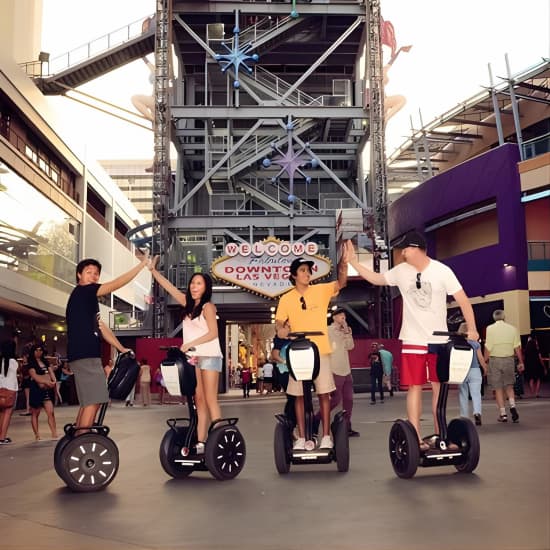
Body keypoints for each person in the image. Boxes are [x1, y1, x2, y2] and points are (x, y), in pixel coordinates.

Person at [345, 232, 478, 451]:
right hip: (413, 339)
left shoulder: (442, 271)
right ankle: (415, 437)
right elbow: (377, 279)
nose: (403, 253)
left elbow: (463, 299)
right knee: (414, 387)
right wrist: (354, 263)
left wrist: (472, 328)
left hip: (439, 339)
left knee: (439, 387)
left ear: (416, 248)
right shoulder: (401, 272)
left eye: (405, 249)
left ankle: (441, 434)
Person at [66, 251, 149, 431]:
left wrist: (121, 348)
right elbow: (116, 284)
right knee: (95, 400)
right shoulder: (85, 291)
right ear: (79, 275)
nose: (94, 276)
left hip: (83, 354)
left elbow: (101, 326)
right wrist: (142, 266)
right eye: (89, 272)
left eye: (96, 273)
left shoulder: (86, 298)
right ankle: (82, 442)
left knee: (89, 401)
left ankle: (77, 440)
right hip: (85, 354)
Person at [275, 250, 349, 451]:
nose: (307, 274)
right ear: (293, 275)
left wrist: (343, 265)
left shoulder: (321, 290)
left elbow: (341, 283)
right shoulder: (286, 299)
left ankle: (326, 435)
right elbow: (280, 322)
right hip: (297, 351)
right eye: (302, 270)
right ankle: (300, 436)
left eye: (308, 270)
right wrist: (282, 330)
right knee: (298, 395)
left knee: (324, 393)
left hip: (320, 350)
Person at [149, 257, 223, 455]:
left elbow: (213, 333)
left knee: (209, 399)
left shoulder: (208, 307)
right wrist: (153, 271)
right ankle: (201, 442)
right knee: (198, 400)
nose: (194, 286)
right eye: (192, 283)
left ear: (206, 287)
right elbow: (169, 287)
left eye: (199, 283)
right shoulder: (187, 304)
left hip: (209, 356)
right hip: (194, 358)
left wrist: (189, 344)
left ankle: (218, 437)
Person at [313, 307, 359, 437]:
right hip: (334, 369)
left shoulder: (346, 331)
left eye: (344, 317)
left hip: (346, 370)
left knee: (349, 399)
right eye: (341, 317)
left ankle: (346, 426)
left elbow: (350, 346)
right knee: (336, 399)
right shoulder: (328, 330)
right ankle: (316, 418)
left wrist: (347, 332)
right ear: (334, 317)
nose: (343, 319)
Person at [484, 309, 524, 423]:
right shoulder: (513, 329)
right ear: (504, 317)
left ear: (494, 317)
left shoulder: (490, 329)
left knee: (498, 388)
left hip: (495, 361)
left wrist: (484, 361)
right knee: (509, 386)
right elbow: (517, 347)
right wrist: (521, 362)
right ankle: (512, 406)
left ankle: (503, 414)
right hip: (509, 360)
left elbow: (489, 347)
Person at [456, 322, 487, 426]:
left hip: (462, 371)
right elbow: (481, 358)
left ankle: (464, 416)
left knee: (463, 393)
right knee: (476, 394)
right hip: (475, 370)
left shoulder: (457, 343)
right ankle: (477, 413)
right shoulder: (475, 343)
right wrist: (485, 368)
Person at [27, 344, 58, 440]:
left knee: (51, 412)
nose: (38, 352)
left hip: (46, 390)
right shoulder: (31, 363)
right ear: (33, 352)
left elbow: (51, 373)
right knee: (35, 413)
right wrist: (46, 381)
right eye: (36, 350)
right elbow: (34, 376)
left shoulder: (45, 362)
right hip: (36, 390)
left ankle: (54, 433)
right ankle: (37, 435)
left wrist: (53, 381)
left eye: (40, 350)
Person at [271, 320, 296, 426]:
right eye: (287, 325)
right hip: (284, 371)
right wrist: (286, 362)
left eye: (291, 325)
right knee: (292, 397)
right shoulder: (279, 339)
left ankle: (292, 420)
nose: (290, 327)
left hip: (296, 370)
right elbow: (274, 355)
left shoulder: (295, 337)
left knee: (296, 397)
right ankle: (289, 419)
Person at [0, 339, 19, 444]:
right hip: (10, 390)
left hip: (0, 389)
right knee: (7, 414)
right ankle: (2, 438)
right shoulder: (13, 362)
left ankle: (0, 436)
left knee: (1, 414)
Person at [524, 332, 546, 398]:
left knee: (531, 379)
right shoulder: (537, 349)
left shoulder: (527, 349)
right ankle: (536, 393)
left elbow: (525, 358)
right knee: (538, 379)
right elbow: (540, 358)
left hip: (529, 365)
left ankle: (532, 393)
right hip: (537, 365)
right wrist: (544, 367)